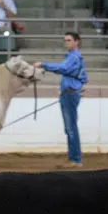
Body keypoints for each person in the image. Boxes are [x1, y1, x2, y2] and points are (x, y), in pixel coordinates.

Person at [34, 32, 86, 169]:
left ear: (76, 42)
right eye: (65, 40)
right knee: (70, 127)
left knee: (70, 127)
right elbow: (83, 76)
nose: (66, 43)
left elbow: (63, 69)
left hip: (69, 94)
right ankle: (74, 158)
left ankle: (75, 159)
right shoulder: (73, 57)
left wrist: (44, 65)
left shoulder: (74, 57)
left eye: (69, 40)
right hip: (68, 93)